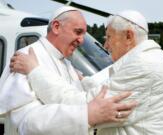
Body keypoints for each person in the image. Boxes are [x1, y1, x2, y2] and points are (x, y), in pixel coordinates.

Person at [10, 10, 163, 135]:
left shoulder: (144, 67)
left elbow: (82, 104)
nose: (105, 46)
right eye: (77, 32)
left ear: (129, 36)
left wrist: (35, 71)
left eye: (109, 37)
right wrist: (84, 81)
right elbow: (110, 81)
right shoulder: (150, 59)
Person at [0, 6, 136, 135]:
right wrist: (87, 116)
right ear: (56, 27)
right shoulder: (24, 59)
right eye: (78, 32)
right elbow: (25, 123)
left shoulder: (67, 64)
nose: (81, 40)